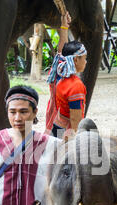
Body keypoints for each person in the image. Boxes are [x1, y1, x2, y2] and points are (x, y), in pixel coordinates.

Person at [45, 12, 88, 140]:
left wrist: (64, 26)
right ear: (75, 60)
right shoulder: (75, 86)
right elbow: (75, 119)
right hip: (67, 132)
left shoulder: (59, 73)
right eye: (84, 58)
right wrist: (76, 141)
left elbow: (61, 51)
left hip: (55, 124)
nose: (86, 62)